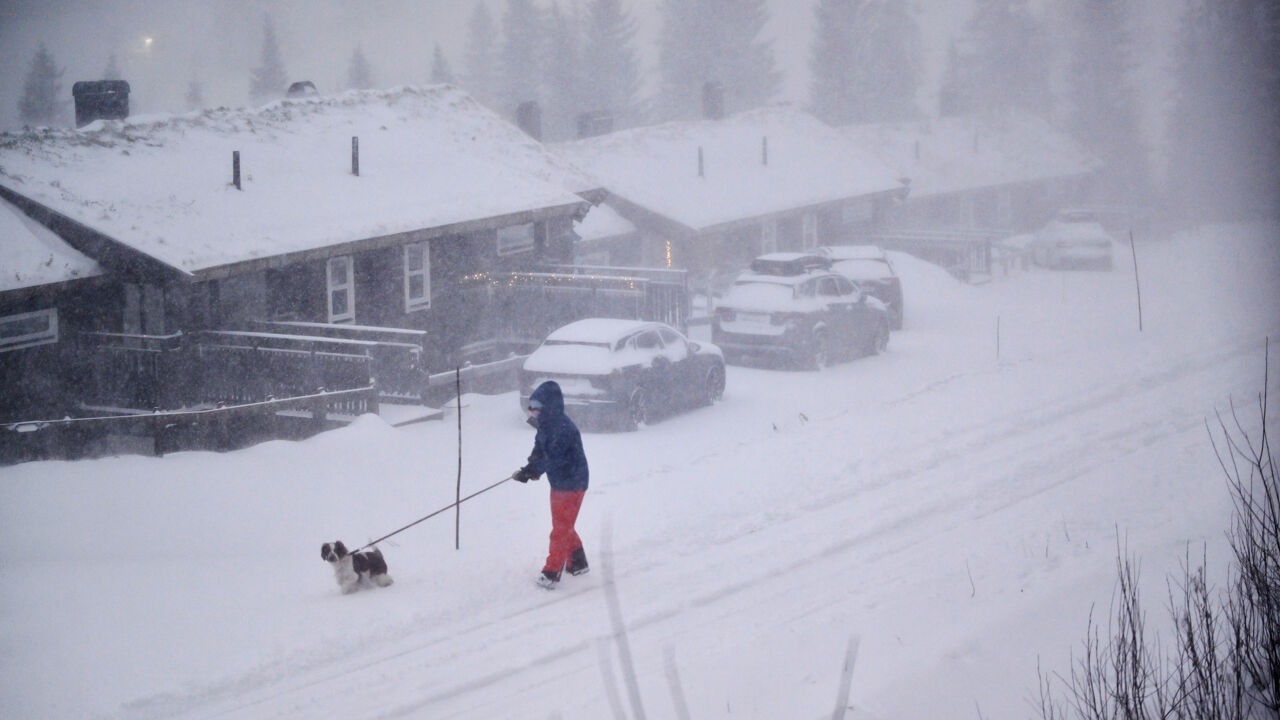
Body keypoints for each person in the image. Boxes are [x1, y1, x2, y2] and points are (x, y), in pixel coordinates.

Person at [512, 380, 590, 588]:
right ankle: (578, 561)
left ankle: (552, 572)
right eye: (531, 407)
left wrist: (533, 471)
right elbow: (540, 450)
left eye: (536, 408)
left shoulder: (562, 429)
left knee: (560, 529)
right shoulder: (546, 426)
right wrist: (529, 467)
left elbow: (553, 457)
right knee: (563, 524)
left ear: (548, 407)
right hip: (559, 482)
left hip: (573, 483)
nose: (532, 412)